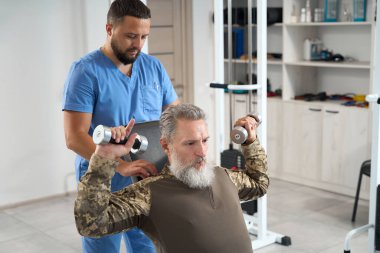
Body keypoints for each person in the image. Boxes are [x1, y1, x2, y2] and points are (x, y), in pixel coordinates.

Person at [62, 0, 179, 252]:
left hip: (146, 175)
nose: (138, 44)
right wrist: (122, 166)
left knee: (146, 244)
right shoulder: (85, 71)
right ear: (109, 28)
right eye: (130, 36)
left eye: (144, 36)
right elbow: (74, 136)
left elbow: (173, 117)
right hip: (103, 180)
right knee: (103, 246)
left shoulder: (153, 67)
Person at [74, 104, 269, 253]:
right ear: (166, 146)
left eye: (205, 140)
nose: (201, 151)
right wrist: (103, 159)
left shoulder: (223, 175)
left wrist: (250, 141)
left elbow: (259, 183)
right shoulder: (148, 193)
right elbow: (91, 224)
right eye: (190, 143)